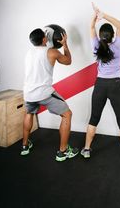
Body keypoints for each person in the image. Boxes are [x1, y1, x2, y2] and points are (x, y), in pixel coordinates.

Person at [80, 4, 120, 166]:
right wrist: (103, 15)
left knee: (94, 118)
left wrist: (95, 17)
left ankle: (86, 149)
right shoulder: (118, 46)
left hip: (100, 85)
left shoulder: (96, 46)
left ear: (101, 37)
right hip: (116, 85)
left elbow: (91, 26)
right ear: (113, 35)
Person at [21, 28, 79, 162]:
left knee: (29, 114)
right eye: (45, 36)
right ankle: (62, 152)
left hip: (28, 93)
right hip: (44, 93)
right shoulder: (52, 52)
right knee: (67, 114)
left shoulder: (29, 53)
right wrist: (65, 44)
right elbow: (68, 61)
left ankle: (25, 146)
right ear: (43, 39)